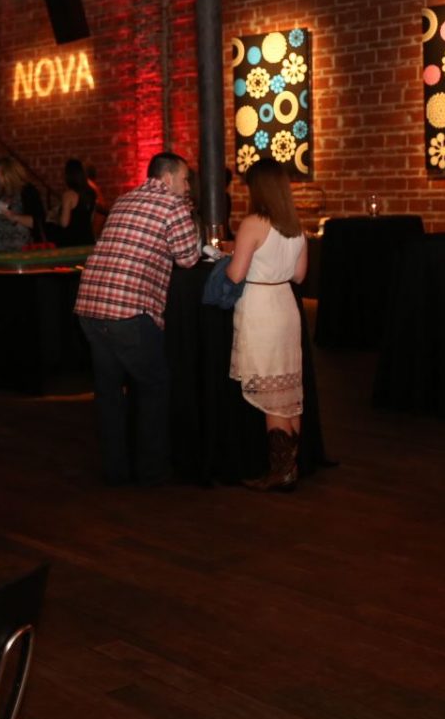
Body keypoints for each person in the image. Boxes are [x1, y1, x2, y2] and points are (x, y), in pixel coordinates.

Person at [74, 152, 200, 489]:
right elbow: (188, 258)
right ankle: (152, 471)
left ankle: (115, 470)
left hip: (90, 306)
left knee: (109, 393)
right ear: (168, 178)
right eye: (185, 179)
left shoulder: (124, 200)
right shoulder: (174, 205)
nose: (188, 186)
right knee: (153, 387)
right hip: (128, 311)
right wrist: (190, 219)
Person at [224, 161, 310, 491]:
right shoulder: (295, 226)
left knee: (271, 394)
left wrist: (227, 259)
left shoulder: (252, 223)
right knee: (287, 389)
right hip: (285, 304)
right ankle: (289, 466)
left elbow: (236, 274)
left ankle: (281, 472)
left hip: (260, 307)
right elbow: (299, 276)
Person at [0, 159, 44, 252]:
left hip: (24, 250)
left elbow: (37, 221)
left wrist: (14, 217)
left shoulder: (27, 191)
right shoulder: (0, 193)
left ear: (8, 173)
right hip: (2, 249)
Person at [58, 157, 98, 246]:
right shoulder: (91, 193)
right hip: (88, 239)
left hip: (72, 243)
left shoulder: (69, 195)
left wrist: (56, 218)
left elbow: (64, 223)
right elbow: (92, 218)